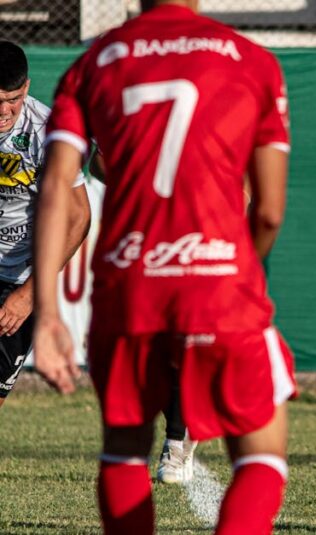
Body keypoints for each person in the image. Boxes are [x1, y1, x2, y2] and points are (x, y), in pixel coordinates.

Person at [32, 0, 295, 533]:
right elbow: (267, 209)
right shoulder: (251, 59)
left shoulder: (95, 61)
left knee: (125, 451)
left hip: (129, 286)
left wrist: (47, 311)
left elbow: (57, 184)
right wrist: (235, 263)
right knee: (262, 454)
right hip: (220, 280)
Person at [89, 151, 196, 484]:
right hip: (142, 235)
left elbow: (246, 189)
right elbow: (97, 162)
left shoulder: (221, 110)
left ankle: (177, 439)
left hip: (199, 234)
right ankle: (180, 429)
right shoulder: (136, 104)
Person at [0, 41, 91, 409]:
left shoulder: (47, 133)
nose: (4, 111)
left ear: (27, 87)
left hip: (18, 276)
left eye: (14, 99)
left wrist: (30, 293)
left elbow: (78, 216)